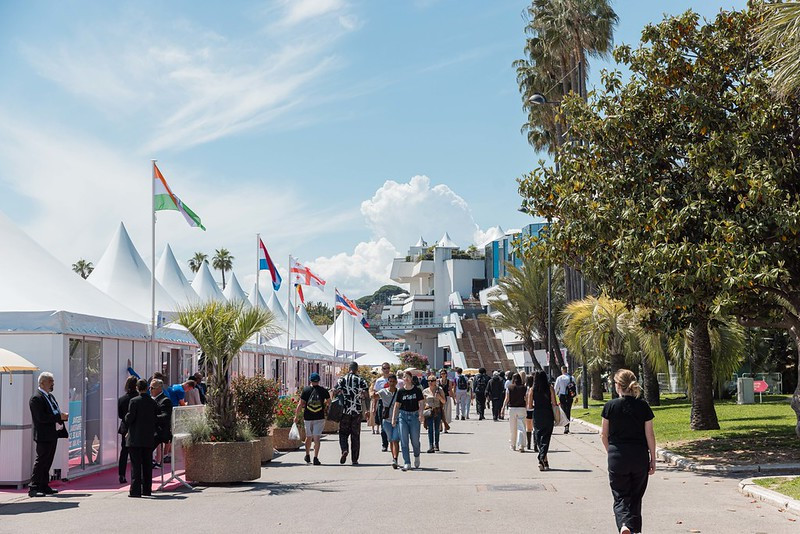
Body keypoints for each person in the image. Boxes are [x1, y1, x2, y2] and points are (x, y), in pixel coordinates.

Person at [601, 369, 656, 534]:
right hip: (639, 456)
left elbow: (603, 434)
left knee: (620, 495)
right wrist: (653, 459)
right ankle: (634, 529)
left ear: (618, 385)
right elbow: (650, 435)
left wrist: (610, 452)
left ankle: (625, 525)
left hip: (617, 456)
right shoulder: (643, 406)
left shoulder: (610, 406)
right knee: (636, 496)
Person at [28, 372, 68, 497]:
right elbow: (41, 417)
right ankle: (34, 487)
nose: (52, 384)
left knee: (48, 460)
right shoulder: (36, 398)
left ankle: (44, 485)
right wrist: (58, 417)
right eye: (50, 381)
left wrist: (61, 416)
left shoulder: (50, 396)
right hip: (43, 435)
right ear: (42, 383)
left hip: (53, 433)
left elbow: (54, 411)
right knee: (41, 460)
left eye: (53, 381)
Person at [125, 379, 158, 498]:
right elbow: (155, 417)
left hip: (135, 437)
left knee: (136, 465)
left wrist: (126, 418)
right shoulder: (152, 402)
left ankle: (135, 490)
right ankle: (147, 489)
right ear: (147, 388)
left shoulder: (134, 401)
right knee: (147, 464)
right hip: (148, 437)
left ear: (137, 388)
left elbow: (130, 418)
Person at [332, 362, 368, 466]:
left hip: (345, 411)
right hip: (357, 411)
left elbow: (334, 391)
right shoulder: (361, 380)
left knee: (343, 433)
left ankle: (344, 449)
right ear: (357, 369)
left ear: (349, 368)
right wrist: (367, 409)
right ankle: (354, 459)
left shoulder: (342, 379)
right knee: (355, 435)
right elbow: (366, 394)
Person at [392, 370, 424, 471]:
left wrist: (421, 414)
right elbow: (397, 405)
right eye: (404, 377)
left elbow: (421, 403)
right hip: (403, 416)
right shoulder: (400, 391)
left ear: (411, 378)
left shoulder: (417, 390)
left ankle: (417, 455)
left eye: (408, 377)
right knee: (404, 440)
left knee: (415, 440)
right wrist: (394, 418)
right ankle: (407, 462)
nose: (406, 379)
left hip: (414, 416)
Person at [295, 372, 330, 465]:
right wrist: (326, 408)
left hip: (308, 417)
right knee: (317, 438)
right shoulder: (323, 390)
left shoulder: (306, 390)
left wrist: (296, 416)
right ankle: (315, 458)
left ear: (310, 380)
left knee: (308, 436)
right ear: (318, 380)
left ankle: (307, 455)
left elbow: (300, 404)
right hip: (319, 417)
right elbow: (329, 402)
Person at [531, 370, 557, 471]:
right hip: (547, 413)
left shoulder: (532, 389)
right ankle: (543, 459)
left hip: (537, 413)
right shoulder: (550, 388)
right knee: (546, 437)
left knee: (538, 437)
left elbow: (529, 405)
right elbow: (554, 403)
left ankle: (542, 459)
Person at [377, 374, 401, 468]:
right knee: (391, 440)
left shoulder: (399, 392)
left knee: (395, 440)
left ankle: (395, 458)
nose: (392, 383)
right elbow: (373, 396)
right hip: (386, 420)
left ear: (396, 382)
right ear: (388, 382)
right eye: (390, 381)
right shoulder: (383, 392)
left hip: (397, 419)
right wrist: (371, 388)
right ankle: (393, 457)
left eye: (393, 382)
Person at [117, 376, 138, 484]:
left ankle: (122, 475)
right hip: (137, 427)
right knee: (137, 452)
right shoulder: (139, 398)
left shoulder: (122, 399)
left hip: (125, 426)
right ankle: (136, 475)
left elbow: (120, 415)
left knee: (124, 452)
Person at [149, 379, 173, 469]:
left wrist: (151, 418)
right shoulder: (151, 399)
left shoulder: (165, 400)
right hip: (151, 430)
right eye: (149, 388)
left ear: (159, 388)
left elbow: (165, 416)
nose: (150, 390)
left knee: (146, 450)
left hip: (159, 432)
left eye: (152, 388)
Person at [503, 373, 527, 452]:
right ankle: (521, 445)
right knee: (521, 427)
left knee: (512, 428)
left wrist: (503, 408)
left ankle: (512, 445)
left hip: (512, 409)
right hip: (521, 408)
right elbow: (526, 398)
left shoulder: (509, 387)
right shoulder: (524, 387)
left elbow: (507, 399)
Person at [422, 375, 446, 453]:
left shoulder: (439, 390)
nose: (430, 382)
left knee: (437, 429)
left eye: (432, 381)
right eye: (428, 381)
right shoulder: (425, 391)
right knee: (430, 429)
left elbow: (444, 401)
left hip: (437, 411)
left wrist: (439, 397)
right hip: (429, 411)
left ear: (435, 381)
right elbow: (422, 402)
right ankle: (431, 445)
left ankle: (436, 444)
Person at [373, 362, 392, 452]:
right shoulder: (379, 381)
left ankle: (393, 442)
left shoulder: (393, 379)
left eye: (388, 368)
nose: (386, 370)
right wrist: (374, 407)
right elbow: (375, 395)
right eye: (384, 368)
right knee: (383, 425)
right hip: (382, 403)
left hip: (392, 403)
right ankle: (385, 444)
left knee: (393, 423)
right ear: (382, 370)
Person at [554, 366, 576, 434]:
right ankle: (567, 426)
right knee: (568, 410)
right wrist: (576, 396)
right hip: (570, 396)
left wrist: (553, 396)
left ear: (562, 370)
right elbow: (575, 388)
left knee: (563, 411)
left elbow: (556, 388)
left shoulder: (559, 378)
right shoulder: (572, 378)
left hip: (562, 396)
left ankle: (565, 425)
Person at [524, 375, 536, 451]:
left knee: (528, 428)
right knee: (534, 428)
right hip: (534, 409)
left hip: (527, 410)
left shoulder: (525, 389)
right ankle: (535, 445)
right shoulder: (534, 389)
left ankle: (528, 444)